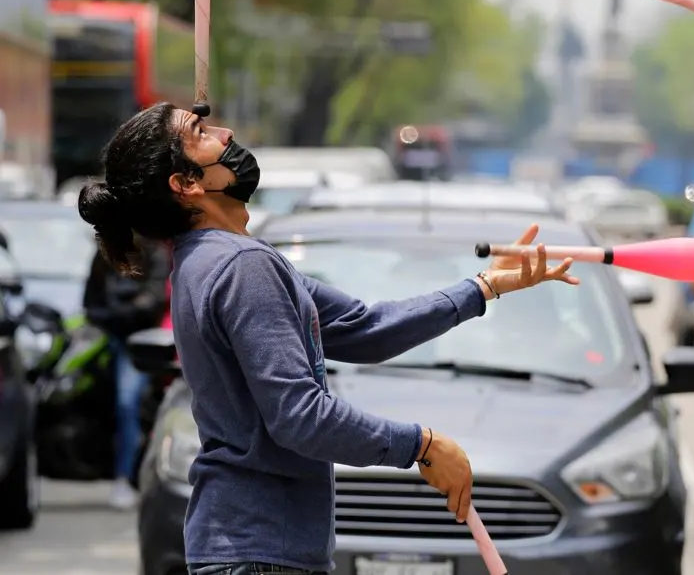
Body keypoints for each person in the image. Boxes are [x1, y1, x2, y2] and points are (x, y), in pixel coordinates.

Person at [76, 102, 579, 575]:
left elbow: (365, 329)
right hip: (259, 551)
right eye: (201, 133)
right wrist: (420, 445)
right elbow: (300, 416)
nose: (225, 134)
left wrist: (484, 287)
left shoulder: (218, 260)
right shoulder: (239, 266)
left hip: (254, 548)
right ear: (186, 184)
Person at [83, 236, 171, 509]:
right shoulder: (104, 253)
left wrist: (129, 310)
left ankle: (126, 476)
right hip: (107, 337)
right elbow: (90, 301)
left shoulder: (155, 253)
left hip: (140, 341)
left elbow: (155, 298)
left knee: (127, 402)